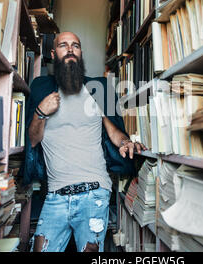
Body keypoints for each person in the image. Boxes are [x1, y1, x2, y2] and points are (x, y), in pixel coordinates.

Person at [24, 31, 146, 252]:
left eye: (75, 45)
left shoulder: (97, 89)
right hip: (55, 197)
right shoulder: (41, 88)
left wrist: (126, 142)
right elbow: (32, 141)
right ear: (53, 53)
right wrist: (40, 112)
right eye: (63, 45)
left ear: (80, 53)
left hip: (95, 193)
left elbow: (114, 133)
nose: (70, 49)